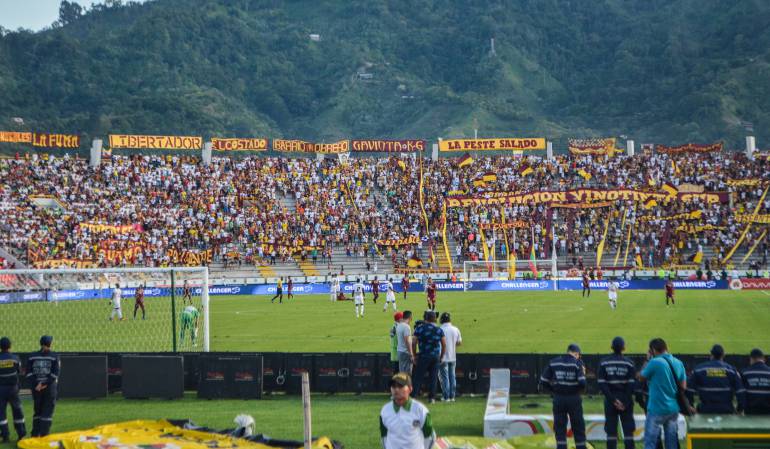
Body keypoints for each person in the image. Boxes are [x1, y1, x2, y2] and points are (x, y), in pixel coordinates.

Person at [639, 338, 691, 449]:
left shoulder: (654, 362)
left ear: (653, 350)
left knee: (650, 443)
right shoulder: (678, 362)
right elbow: (683, 387)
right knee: (671, 443)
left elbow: (641, 377)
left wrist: (647, 360)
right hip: (673, 409)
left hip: (656, 409)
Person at [539, 343, 587, 449]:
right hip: (574, 399)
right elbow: (583, 383)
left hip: (558, 399)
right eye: (579, 355)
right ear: (576, 353)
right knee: (578, 428)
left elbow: (543, 381)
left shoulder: (554, 362)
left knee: (560, 429)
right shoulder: (577, 364)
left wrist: (554, 391)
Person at [379, 372, 436, 449]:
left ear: (410, 389)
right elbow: (384, 436)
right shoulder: (385, 411)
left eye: (400, 386)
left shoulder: (421, 410)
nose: (396, 389)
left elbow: (430, 436)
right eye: (393, 386)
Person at [598, 337, 635, 449]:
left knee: (611, 432)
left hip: (610, 400)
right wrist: (624, 401)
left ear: (612, 347)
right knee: (628, 432)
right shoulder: (629, 363)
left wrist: (613, 400)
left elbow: (602, 384)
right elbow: (631, 385)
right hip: (626, 400)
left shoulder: (604, 362)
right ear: (624, 348)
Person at [686, 344, 743, 414]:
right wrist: (740, 409)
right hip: (726, 410)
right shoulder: (731, 370)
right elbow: (740, 391)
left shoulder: (699, 369)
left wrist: (690, 406)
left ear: (711, 355)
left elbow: (689, 389)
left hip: (705, 409)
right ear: (723, 355)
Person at [26, 335, 59, 437]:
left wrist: (37, 384)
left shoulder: (32, 356)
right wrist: (44, 384)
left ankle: (35, 434)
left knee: (37, 411)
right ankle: (45, 435)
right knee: (48, 411)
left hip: (36, 388)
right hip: (49, 388)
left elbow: (28, 373)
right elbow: (55, 374)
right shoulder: (54, 356)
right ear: (50, 344)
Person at [411, 311, 446, 404]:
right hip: (435, 357)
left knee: (418, 377)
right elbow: (444, 344)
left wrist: (414, 355)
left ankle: (414, 396)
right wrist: (441, 356)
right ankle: (432, 398)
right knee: (433, 378)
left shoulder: (419, 328)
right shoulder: (438, 330)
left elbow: (413, 343)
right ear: (434, 318)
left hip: (423, 355)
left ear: (425, 318)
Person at [0, 337, 25, 442]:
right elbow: (20, 372)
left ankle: (5, 436)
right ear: (10, 346)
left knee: (1, 413)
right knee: (17, 411)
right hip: (13, 389)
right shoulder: (15, 358)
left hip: (0, 389)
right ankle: (21, 434)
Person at [439, 312, 462, 402]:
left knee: (445, 378)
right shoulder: (455, 329)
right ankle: (452, 396)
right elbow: (459, 342)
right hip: (453, 357)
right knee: (452, 376)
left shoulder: (440, 329)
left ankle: (446, 397)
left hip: (442, 357)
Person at [739, 348, 770, 415]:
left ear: (751, 358)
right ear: (763, 358)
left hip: (750, 410)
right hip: (768, 411)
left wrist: (740, 408)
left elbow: (741, 393)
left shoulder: (744, 372)